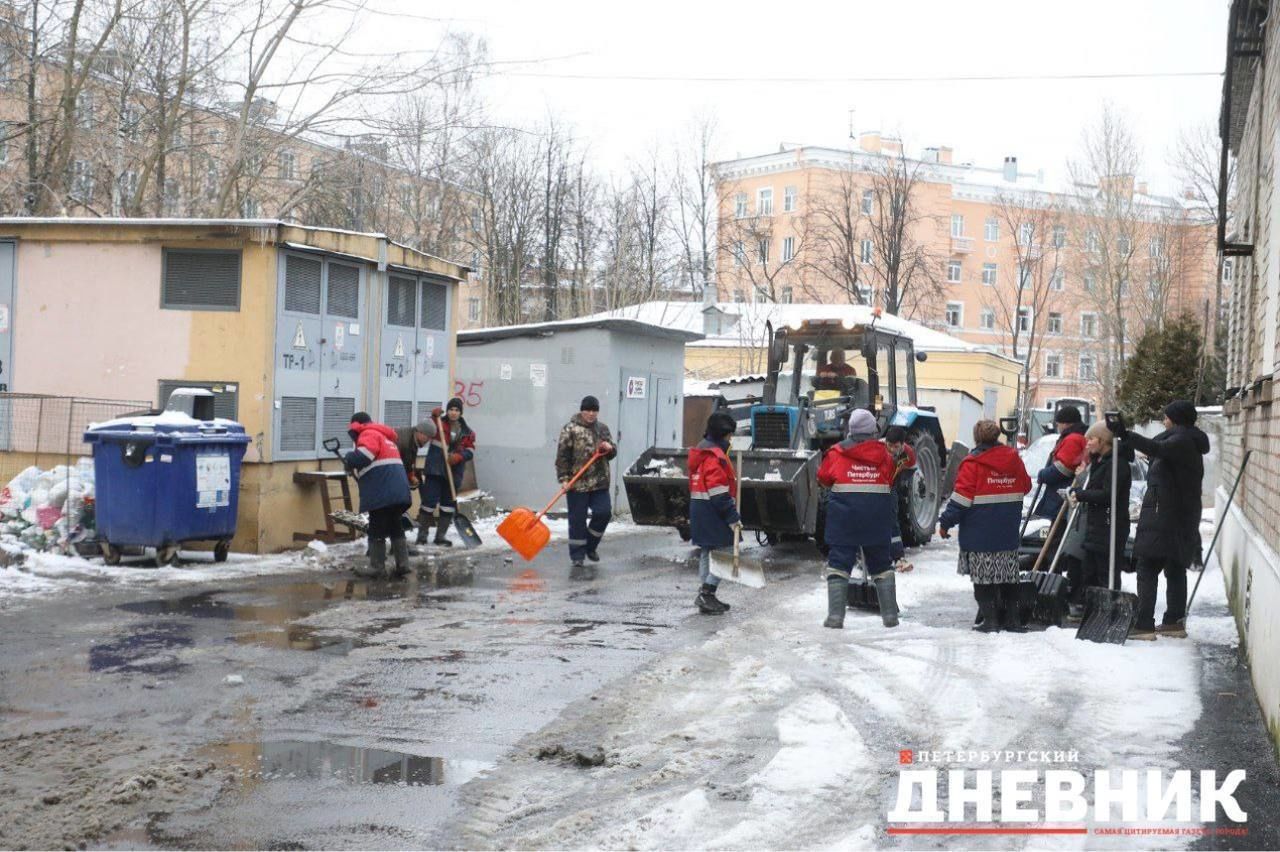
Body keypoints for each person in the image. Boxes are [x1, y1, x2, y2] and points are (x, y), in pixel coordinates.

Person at [1107, 401, 1209, 641]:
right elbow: (1161, 451)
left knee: (1147, 566)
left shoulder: (1182, 440)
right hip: (1178, 514)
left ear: (1174, 419)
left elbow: (1158, 449)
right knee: (1174, 568)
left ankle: (1144, 625)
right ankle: (1173, 622)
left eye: (1166, 417)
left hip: (1165, 514)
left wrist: (1127, 434)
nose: (1164, 421)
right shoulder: (1187, 441)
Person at [938, 420, 1032, 632]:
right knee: (1009, 578)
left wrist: (945, 523)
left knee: (983, 580)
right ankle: (1013, 621)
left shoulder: (973, 463)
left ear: (977, 438)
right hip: (1007, 532)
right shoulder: (1013, 459)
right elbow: (1026, 486)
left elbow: (960, 500)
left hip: (979, 534)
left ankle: (990, 621)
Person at [816, 409, 900, 629]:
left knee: (839, 564)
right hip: (876, 518)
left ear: (850, 429)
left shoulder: (835, 453)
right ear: (873, 430)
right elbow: (890, 480)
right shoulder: (885, 456)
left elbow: (823, 478)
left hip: (844, 518)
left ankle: (835, 617)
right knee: (881, 563)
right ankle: (890, 616)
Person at [1066, 421, 1132, 618]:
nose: (1087, 443)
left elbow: (1107, 495)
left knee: (1107, 572)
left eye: (1091, 439)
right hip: (1096, 525)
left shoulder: (1116, 465)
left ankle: (1110, 614)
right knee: (1090, 572)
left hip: (1110, 525)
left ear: (1104, 441)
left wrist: (1082, 494)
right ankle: (1093, 613)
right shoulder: (1101, 462)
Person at [345, 412, 412, 579]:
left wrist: (349, 458)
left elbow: (364, 457)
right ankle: (403, 564)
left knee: (377, 527)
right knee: (395, 524)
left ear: (356, 425)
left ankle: (377, 567)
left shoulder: (368, 433)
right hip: (398, 490)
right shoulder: (385, 437)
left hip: (383, 491)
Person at [555, 395, 618, 570]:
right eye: (588, 410)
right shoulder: (570, 429)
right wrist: (564, 479)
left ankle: (590, 546)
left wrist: (609, 448)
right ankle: (577, 555)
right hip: (577, 484)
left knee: (603, 513)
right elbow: (562, 457)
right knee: (577, 520)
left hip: (599, 482)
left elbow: (612, 453)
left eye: (594, 410)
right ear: (582, 410)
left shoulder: (602, 429)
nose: (591, 414)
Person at [688, 412, 740, 615]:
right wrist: (732, 517)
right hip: (713, 512)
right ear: (723, 436)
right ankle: (707, 592)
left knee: (707, 551)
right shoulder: (715, 458)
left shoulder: (701, 453)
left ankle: (706, 596)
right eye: (730, 436)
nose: (731, 439)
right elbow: (718, 493)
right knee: (726, 552)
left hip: (699, 509)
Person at [422, 398, 475, 547]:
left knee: (447, 505)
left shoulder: (467, 432)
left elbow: (470, 451)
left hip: (454, 472)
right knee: (429, 503)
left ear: (460, 412)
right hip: (435, 470)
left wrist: (459, 457)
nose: (453, 412)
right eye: (451, 409)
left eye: (457, 410)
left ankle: (440, 536)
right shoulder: (438, 424)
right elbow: (425, 428)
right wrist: (433, 417)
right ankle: (422, 535)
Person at [394, 419, 438, 543]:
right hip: (388, 474)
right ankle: (396, 543)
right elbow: (398, 461)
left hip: (394, 473)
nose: (428, 440)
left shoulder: (413, 440)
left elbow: (408, 461)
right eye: (427, 437)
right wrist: (407, 477)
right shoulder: (404, 441)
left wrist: (410, 475)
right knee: (397, 506)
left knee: (400, 506)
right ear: (420, 432)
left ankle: (396, 543)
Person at [884, 425, 917, 567]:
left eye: (895, 446)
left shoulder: (910, 456)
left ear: (903, 445)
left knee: (892, 517)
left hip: (891, 485)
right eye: (889, 445)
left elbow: (904, 475)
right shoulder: (878, 448)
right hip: (875, 485)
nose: (892, 449)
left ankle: (898, 556)